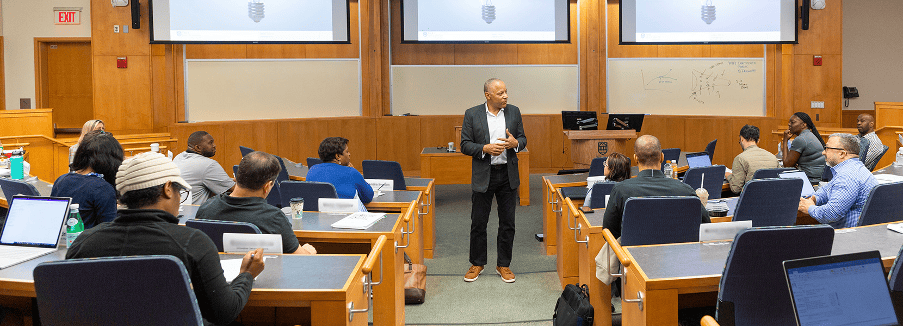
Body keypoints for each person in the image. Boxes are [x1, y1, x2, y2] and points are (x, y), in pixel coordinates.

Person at [66, 152, 265, 325]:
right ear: (168, 189)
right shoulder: (193, 243)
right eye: (180, 191)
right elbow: (224, 313)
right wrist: (246, 275)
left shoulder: (84, 243)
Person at [460, 78, 527, 284]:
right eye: (500, 93)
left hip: (507, 174)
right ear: (488, 96)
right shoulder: (472, 114)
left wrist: (516, 143)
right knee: (479, 222)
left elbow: (523, 139)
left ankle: (503, 264)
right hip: (484, 174)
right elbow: (465, 144)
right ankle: (477, 263)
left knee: (508, 223)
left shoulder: (514, 112)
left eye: (506, 92)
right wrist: (484, 148)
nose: (505, 96)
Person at [197, 151, 317, 254]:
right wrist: (309, 252)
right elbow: (299, 258)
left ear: (236, 177)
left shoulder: (206, 208)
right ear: (267, 186)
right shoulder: (274, 218)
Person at [603, 135, 710, 239]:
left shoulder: (620, 190)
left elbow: (609, 232)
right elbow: (705, 225)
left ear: (635, 158)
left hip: (633, 250)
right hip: (677, 250)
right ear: (662, 157)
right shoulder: (686, 191)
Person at [798, 133, 878, 228]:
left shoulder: (847, 176)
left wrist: (810, 208)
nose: (823, 153)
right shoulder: (853, 168)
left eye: (827, 148)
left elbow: (831, 214)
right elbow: (827, 189)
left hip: (848, 233)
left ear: (842, 154)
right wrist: (814, 198)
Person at [51, 130, 123, 229]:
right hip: (90, 238)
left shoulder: (61, 180)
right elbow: (110, 231)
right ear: (112, 160)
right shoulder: (103, 188)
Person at [306, 137, 374, 206]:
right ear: (338, 156)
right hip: (346, 212)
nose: (349, 154)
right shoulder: (351, 172)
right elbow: (368, 196)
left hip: (318, 212)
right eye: (347, 151)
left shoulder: (312, 170)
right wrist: (354, 172)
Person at [173, 131, 235, 205]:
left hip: (178, 209)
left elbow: (201, 178)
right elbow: (234, 190)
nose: (214, 145)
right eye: (210, 143)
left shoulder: (179, 157)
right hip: (195, 211)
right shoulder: (208, 165)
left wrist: (231, 180)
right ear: (198, 148)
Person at [725, 125, 781, 194]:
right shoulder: (772, 157)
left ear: (741, 139)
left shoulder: (740, 158)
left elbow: (736, 189)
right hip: (772, 197)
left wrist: (728, 176)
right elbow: (781, 179)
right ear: (758, 141)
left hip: (751, 198)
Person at [781, 112, 826, 183]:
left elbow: (787, 166)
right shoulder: (809, 135)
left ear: (803, 125)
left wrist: (785, 140)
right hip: (818, 178)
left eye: (792, 122)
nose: (789, 124)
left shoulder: (801, 139)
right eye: (789, 122)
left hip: (810, 180)